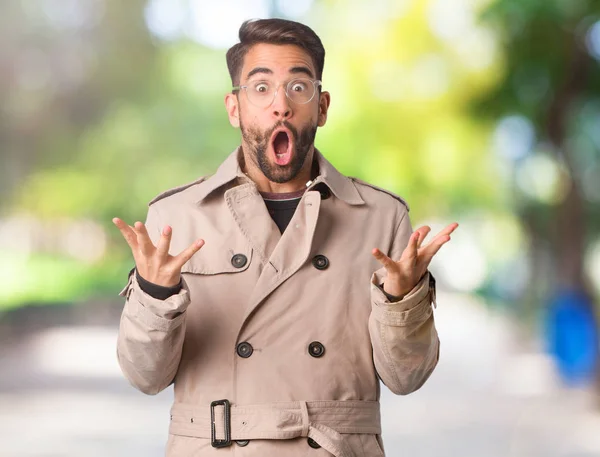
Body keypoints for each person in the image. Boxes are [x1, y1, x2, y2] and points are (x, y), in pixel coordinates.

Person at [113, 18, 458, 457]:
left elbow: (406, 378)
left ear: (322, 106)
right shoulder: (175, 218)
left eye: (299, 87)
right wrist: (155, 293)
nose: (281, 105)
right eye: (261, 88)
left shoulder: (382, 218)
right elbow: (146, 377)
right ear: (234, 107)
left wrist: (400, 301)